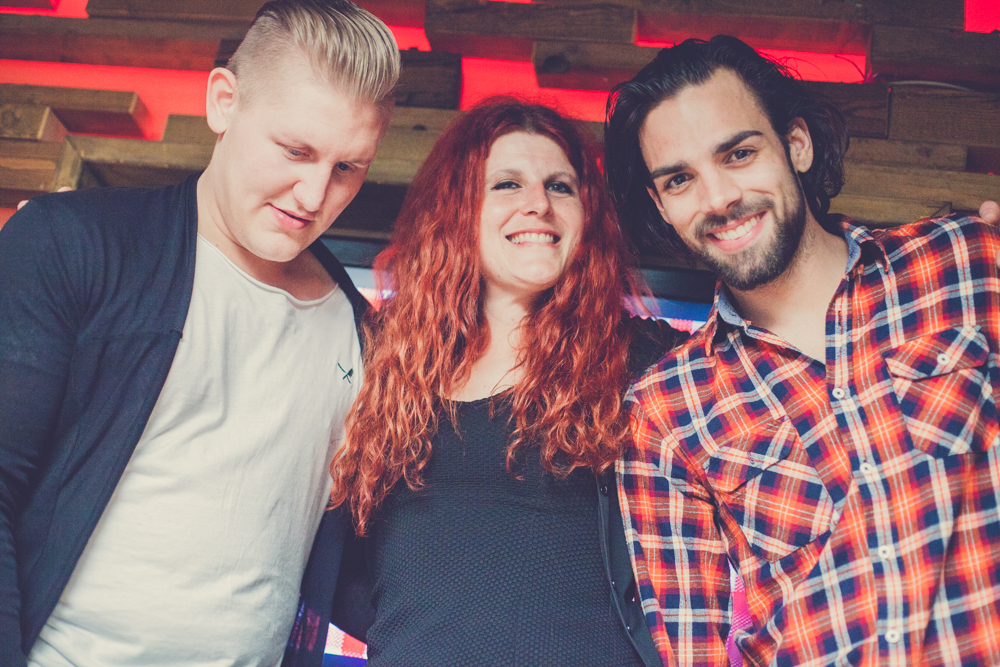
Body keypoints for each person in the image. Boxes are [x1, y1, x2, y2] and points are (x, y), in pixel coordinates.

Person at [0, 1, 398, 664]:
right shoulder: (69, 244)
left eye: (346, 168)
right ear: (223, 102)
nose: (312, 195)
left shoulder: (363, 336)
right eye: (295, 150)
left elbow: (362, 574)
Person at [604, 35, 1000, 666]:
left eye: (738, 153)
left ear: (796, 144)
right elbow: (694, 650)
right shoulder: (664, 412)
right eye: (680, 179)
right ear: (661, 204)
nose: (718, 198)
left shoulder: (965, 261)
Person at [284, 97, 685, 666]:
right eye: (507, 184)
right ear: (458, 210)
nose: (538, 204)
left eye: (560, 187)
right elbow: (344, 568)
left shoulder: (643, 359)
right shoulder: (382, 361)